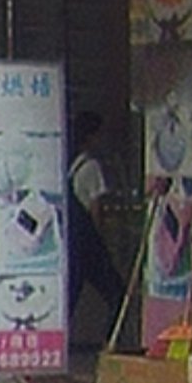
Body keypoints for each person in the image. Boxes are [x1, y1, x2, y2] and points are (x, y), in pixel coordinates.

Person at [66, 111, 127, 347]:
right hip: (88, 242)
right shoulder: (91, 166)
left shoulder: (72, 166)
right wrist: (102, 239)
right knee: (116, 293)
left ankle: (57, 341)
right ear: (91, 136)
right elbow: (96, 208)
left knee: (70, 296)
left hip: (73, 242)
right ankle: (109, 342)